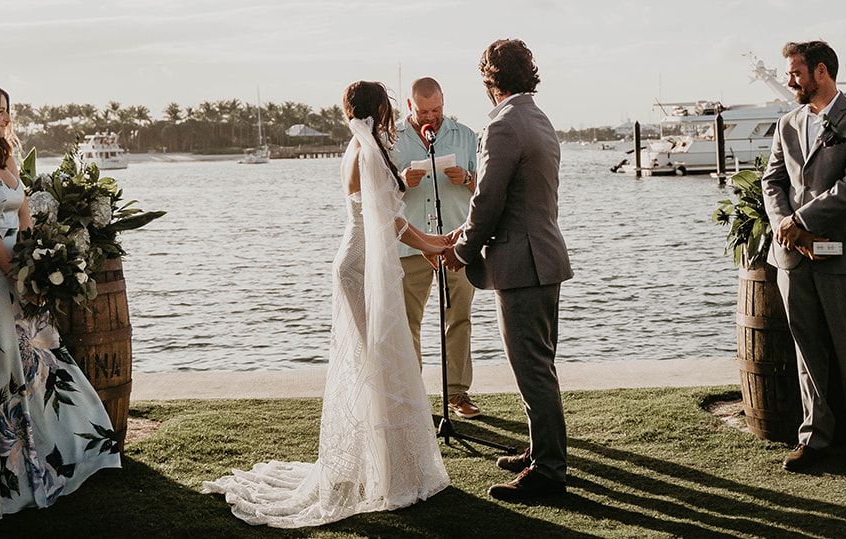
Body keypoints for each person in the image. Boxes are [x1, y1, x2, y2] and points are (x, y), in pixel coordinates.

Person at [204, 81, 452, 527]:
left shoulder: (361, 147)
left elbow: (389, 220)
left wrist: (431, 243)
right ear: (379, 109)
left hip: (360, 263)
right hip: (358, 268)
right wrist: (434, 242)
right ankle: (392, 474)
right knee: (379, 364)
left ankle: (393, 468)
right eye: (389, 106)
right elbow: (391, 221)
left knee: (382, 362)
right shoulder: (365, 152)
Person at [0, 82, 121, 519]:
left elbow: (22, 215)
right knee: (0, 368)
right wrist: (18, 275)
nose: (5, 118)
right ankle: (7, 475)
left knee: (41, 357)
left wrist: (39, 262)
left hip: (19, 266)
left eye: (7, 110)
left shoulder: (4, 156)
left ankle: (64, 453)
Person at [445, 38, 572, 502]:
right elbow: (516, 198)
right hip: (545, 257)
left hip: (522, 264)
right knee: (541, 365)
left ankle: (548, 472)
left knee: (532, 369)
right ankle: (542, 450)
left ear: (488, 80)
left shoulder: (502, 124)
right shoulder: (538, 117)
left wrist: (461, 251)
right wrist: (465, 235)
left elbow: (490, 199)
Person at [759, 39, 846, 472]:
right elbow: (771, 181)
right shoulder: (787, 123)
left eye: (795, 72)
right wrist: (785, 225)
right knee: (807, 348)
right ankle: (814, 438)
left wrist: (804, 221)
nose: (789, 79)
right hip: (792, 257)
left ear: (821, 72)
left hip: (845, 253)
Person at [390, 76, 481, 419]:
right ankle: (412, 398)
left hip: (455, 243)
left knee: (459, 318)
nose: (432, 116)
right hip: (409, 244)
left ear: (444, 102)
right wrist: (401, 182)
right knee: (407, 323)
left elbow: (487, 190)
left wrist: (467, 179)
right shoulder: (391, 139)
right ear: (410, 107)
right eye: (425, 110)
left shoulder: (466, 136)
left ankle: (457, 394)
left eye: (438, 109)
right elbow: (375, 193)